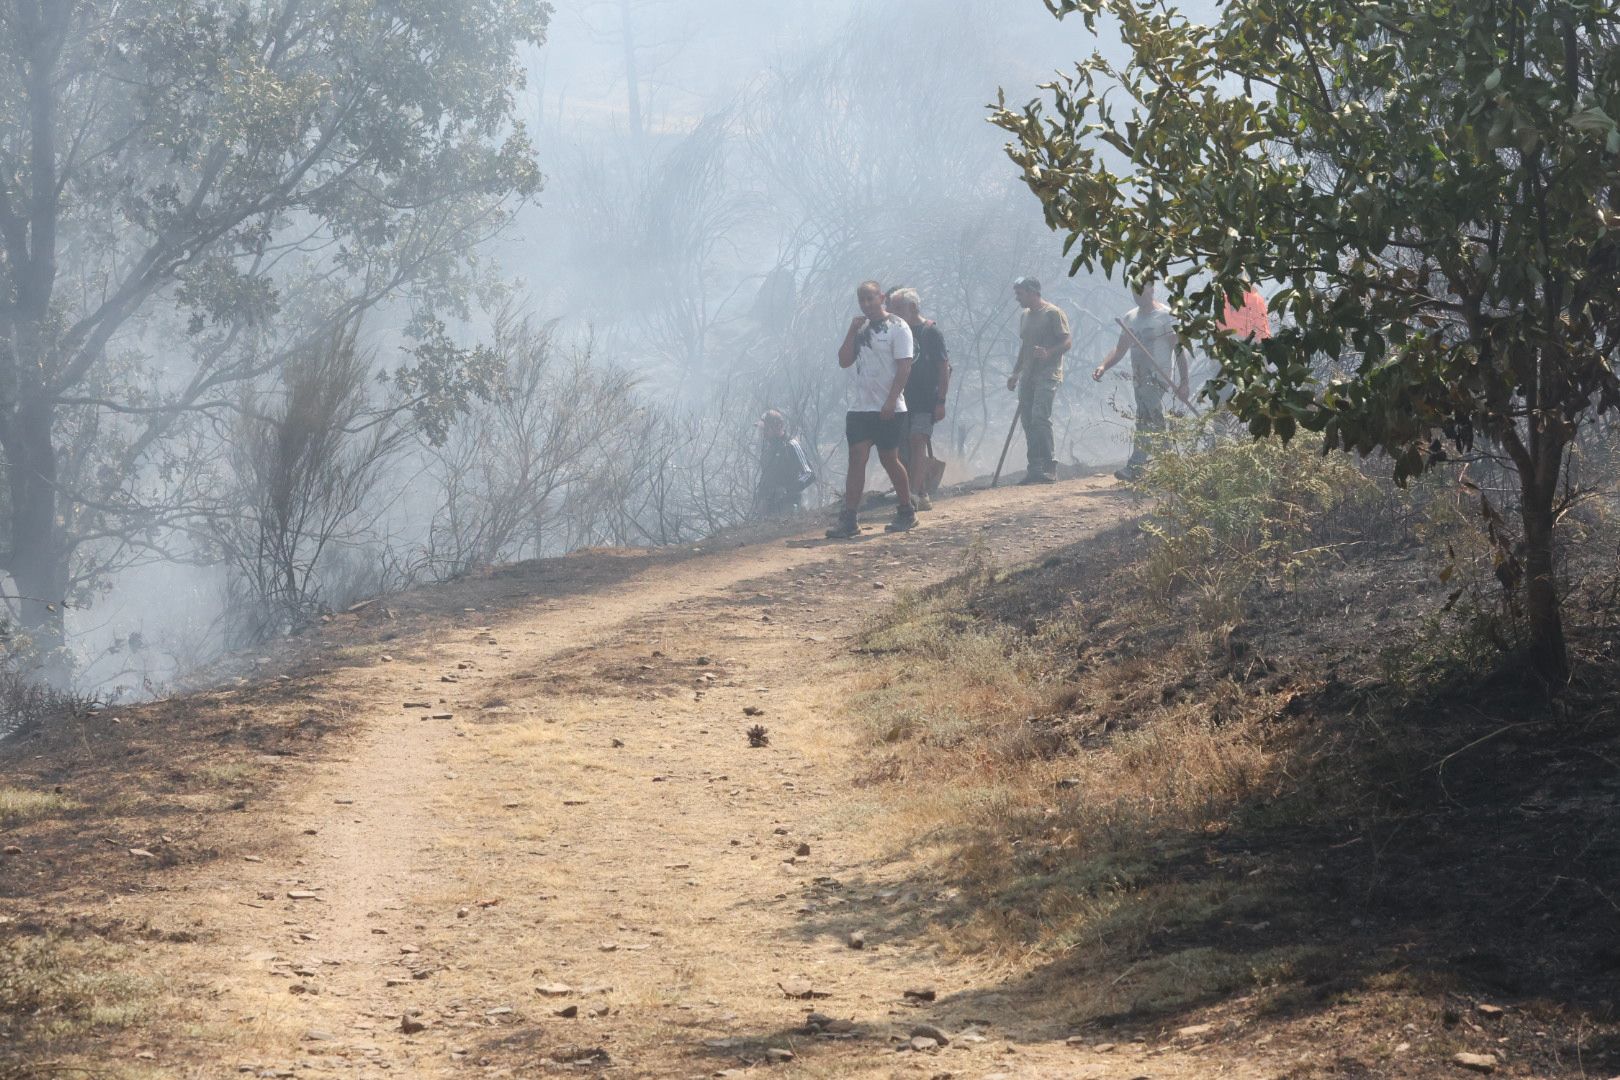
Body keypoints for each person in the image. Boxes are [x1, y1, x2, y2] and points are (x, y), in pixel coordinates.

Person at [827, 280, 917, 538]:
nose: (866, 304)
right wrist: (851, 331)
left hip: (890, 406)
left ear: (881, 297)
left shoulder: (899, 327)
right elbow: (844, 361)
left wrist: (891, 400)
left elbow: (904, 367)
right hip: (860, 407)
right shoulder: (861, 328)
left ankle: (906, 510)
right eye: (862, 300)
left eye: (870, 298)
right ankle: (849, 519)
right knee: (856, 458)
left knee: (890, 459)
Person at [1093, 278, 1191, 480]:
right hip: (1139, 377)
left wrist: (1184, 382)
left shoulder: (1166, 316)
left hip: (1158, 376)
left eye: (1141, 290)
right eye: (1134, 291)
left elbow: (1179, 350)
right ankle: (1171, 466)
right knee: (1151, 419)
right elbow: (1120, 349)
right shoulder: (1131, 317)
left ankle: (1137, 466)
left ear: (1152, 289)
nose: (1137, 295)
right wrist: (1103, 366)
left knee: (1147, 418)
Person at [887, 287, 950, 510]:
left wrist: (941, 401)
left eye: (897, 308)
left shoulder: (931, 333)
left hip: (926, 400)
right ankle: (920, 491)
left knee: (917, 441)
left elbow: (944, 368)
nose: (892, 313)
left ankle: (913, 495)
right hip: (903, 400)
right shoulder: (896, 332)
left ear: (912, 307)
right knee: (902, 449)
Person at [1006, 276, 1072, 484]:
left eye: (1020, 293)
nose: (1017, 298)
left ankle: (1050, 466)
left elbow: (1067, 342)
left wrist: (1048, 352)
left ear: (1033, 292)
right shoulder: (1025, 315)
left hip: (1048, 373)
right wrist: (1016, 373)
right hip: (1028, 374)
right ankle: (1034, 468)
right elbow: (1025, 347)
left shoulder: (1053, 313)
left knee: (1039, 417)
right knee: (1027, 420)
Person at [755, 409, 814, 519]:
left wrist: (788, 490)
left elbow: (809, 473)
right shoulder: (767, 449)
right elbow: (766, 477)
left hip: (789, 506)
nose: (763, 433)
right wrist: (761, 499)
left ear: (778, 426)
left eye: (766, 429)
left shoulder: (792, 445)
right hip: (769, 508)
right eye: (762, 429)